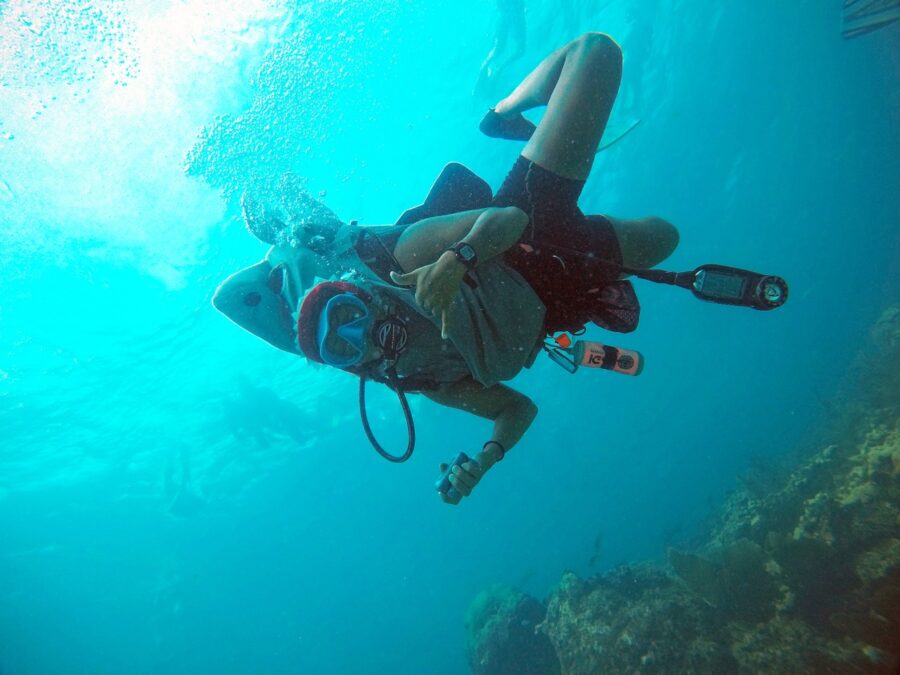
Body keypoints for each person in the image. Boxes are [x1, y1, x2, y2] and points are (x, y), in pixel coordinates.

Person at [215, 33, 679, 504]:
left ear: (365, 296)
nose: (362, 336)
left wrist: (458, 260)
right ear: (354, 367)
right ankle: (310, 262)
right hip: (561, 289)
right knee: (665, 237)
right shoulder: (423, 378)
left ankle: (501, 114)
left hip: (523, 234)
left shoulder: (402, 260)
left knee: (595, 54)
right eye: (343, 349)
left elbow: (510, 221)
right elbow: (516, 409)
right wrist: (485, 459)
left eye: (348, 316)